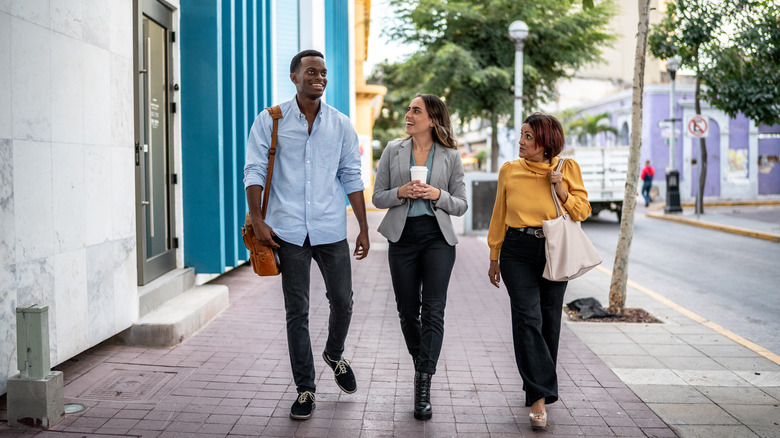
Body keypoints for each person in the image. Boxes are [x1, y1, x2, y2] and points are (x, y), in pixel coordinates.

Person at [243, 49, 370, 421]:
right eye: (311, 71)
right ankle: (305, 389)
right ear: (294, 77)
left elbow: (351, 176)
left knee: (343, 301)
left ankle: (334, 352)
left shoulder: (341, 124)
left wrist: (362, 227)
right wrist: (257, 219)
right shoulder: (271, 120)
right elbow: (253, 169)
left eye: (323, 72)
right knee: (296, 311)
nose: (319, 77)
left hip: (330, 227)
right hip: (287, 231)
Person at [486, 113, 591, 430]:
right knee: (527, 318)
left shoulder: (566, 169)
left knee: (549, 322)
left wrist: (561, 191)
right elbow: (499, 214)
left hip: (553, 249)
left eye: (528, 136)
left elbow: (583, 211)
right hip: (517, 251)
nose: (521, 141)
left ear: (546, 142)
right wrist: (494, 255)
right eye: (521, 135)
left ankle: (537, 387)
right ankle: (539, 399)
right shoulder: (510, 170)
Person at [372, 94, 468, 420]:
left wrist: (437, 194)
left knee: (434, 310)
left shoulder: (451, 157)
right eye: (409, 109)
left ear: (432, 119)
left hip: (438, 239)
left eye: (416, 110)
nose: (408, 114)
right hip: (402, 239)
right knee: (407, 310)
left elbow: (461, 204)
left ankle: (423, 382)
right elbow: (378, 196)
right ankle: (422, 362)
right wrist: (401, 192)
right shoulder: (392, 150)